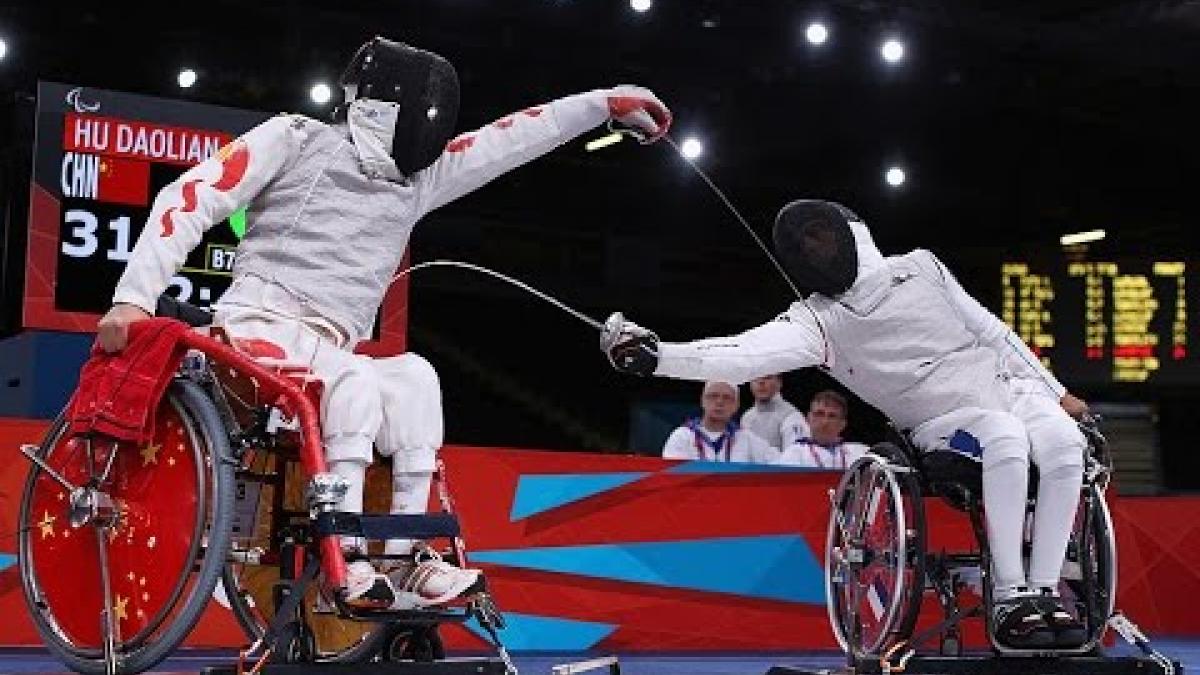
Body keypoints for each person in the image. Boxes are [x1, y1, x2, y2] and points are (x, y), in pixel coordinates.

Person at [96, 36, 672, 610]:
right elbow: (191, 195)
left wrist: (602, 104)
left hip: (330, 349)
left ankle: (404, 559)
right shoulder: (295, 138)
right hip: (256, 328)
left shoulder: (419, 180)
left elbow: (509, 139)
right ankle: (343, 557)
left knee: (416, 377)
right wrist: (134, 299)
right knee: (355, 382)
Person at [602, 199, 1090, 648]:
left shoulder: (922, 266)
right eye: (803, 246)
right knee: (1003, 438)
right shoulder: (817, 321)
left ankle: (1045, 589)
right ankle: (1010, 596)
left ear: (851, 231)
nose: (814, 250)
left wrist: (1056, 391)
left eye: (819, 235)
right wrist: (660, 356)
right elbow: (739, 354)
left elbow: (992, 331)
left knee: (1066, 443)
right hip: (944, 420)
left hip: (1010, 389)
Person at [661, 381, 774, 463]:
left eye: (727, 397)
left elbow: (779, 463)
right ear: (703, 401)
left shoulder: (746, 438)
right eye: (713, 396)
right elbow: (672, 476)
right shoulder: (682, 436)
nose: (719, 402)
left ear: (736, 405)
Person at [777, 389, 868, 469]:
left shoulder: (859, 452)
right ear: (808, 419)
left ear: (843, 424)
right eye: (819, 414)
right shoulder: (795, 454)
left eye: (832, 416)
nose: (825, 422)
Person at [739, 373, 799, 449]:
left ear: (779, 382)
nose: (761, 382)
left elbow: (795, 456)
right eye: (756, 378)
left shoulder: (791, 416)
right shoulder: (746, 417)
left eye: (767, 377)